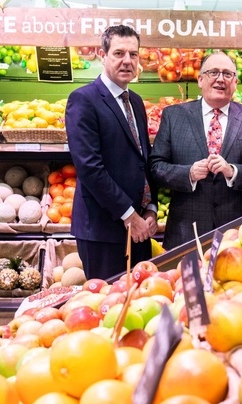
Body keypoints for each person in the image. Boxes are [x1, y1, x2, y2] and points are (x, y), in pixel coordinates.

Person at [65, 25, 158, 280]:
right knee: (107, 307)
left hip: (139, 227)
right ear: (102, 55)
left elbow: (143, 159)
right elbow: (89, 168)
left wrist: (150, 207)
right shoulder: (83, 100)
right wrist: (129, 215)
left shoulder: (136, 101)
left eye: (133, 54)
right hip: (103, 231)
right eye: (119, 53)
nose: (127, 61)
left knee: (140, 304)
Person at [150, 52, 242, 249]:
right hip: (185, 233)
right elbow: (156, 168)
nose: (220, 79)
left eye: (227, 74)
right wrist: (188, 174)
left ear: (236, 82)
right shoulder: (174, 116)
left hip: (237, 234)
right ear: (200, 80)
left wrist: (234, 171)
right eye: (213, 72)